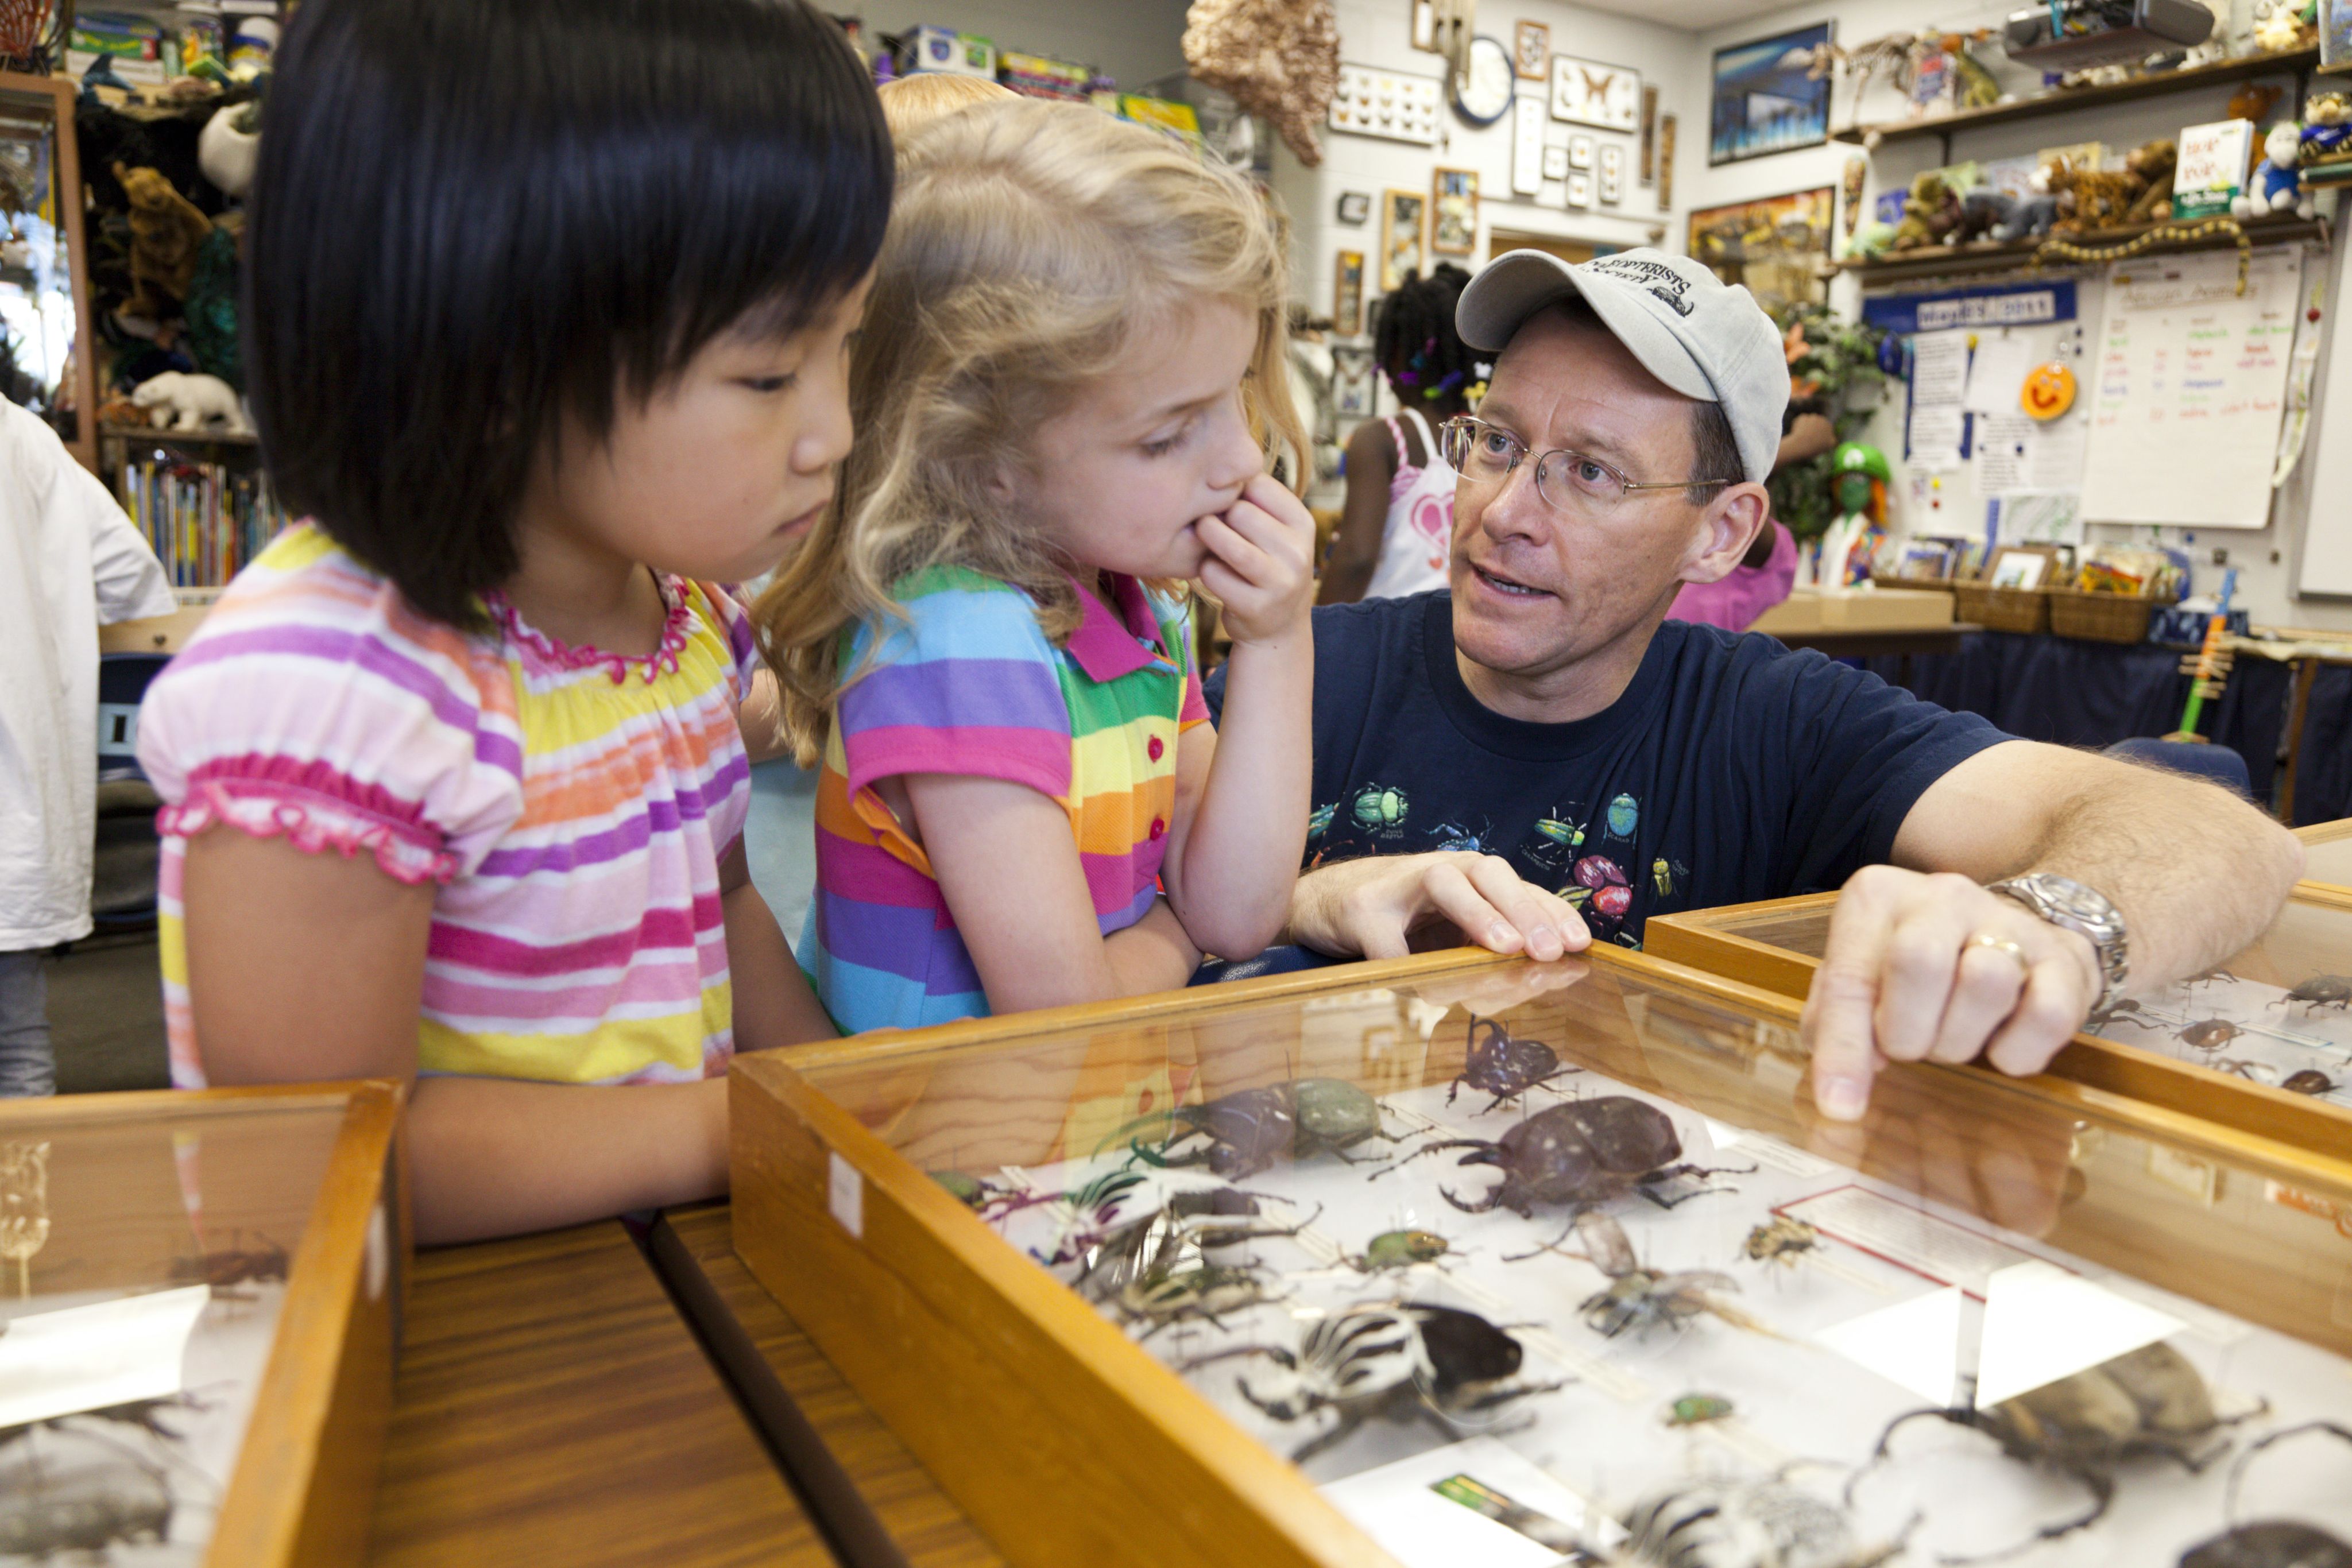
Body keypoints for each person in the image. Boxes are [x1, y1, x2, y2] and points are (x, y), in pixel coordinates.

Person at [1209, 247, 2301, 1121]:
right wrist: (1308, 899)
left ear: (1721, 533)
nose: (1503, 512)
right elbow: (1121, 918)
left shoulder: (1776, 719)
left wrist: (2050, 928)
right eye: (1497, 442)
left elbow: (2225, 838)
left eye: (1589, 471)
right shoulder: (1304, 668)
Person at [135, 0, 888, 1243]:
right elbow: (318, 1155)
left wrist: (840, 1100)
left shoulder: (683, 623)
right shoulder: (338, 692)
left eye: (844, 347)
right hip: (443, 1331)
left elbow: (726, 905)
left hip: (652, 1284)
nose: (835, 435)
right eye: (767, 374)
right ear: (485, 356)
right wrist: (741, 1127)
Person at [761, 99, 1317, 1034]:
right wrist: (1179, 933)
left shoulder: (1139, 603)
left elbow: (1237, 909)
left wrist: (1276, 639)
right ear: (983, 460)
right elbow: (1064, 1018)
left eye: (1235, 397)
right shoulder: (955, 639)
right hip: (941, 1119)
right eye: (1167, 436)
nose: (1240, 460)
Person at [0, 400, 175, 1097]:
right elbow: (133, 582)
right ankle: (30, 1173)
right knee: (17, 1039)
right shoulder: (27, 438)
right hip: (18, 805)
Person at [1318, 264, 1473, 606]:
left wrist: (1316, 628)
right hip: (1463, 627)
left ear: (1402, 353)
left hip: (1387, 629)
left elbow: (1357, 558)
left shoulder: (1382, 438)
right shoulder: (1490, 436)